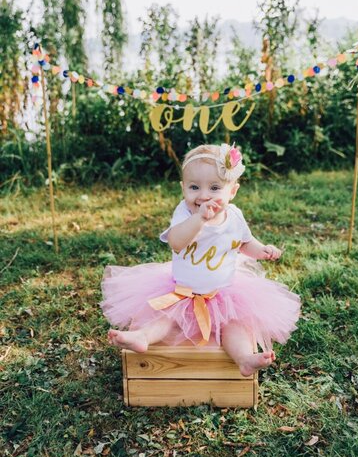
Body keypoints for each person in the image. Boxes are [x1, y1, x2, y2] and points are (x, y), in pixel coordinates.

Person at [101, 143, 300, 376]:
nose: (203, 196)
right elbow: (176, 241)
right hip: (181, 291)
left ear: (232, 191)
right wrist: (200, 220)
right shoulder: (184, 213)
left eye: (215, 188)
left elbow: (245, 242)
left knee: (235, 326)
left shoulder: (234, 215)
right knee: (166, 318)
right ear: (183, 187)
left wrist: (262, 250)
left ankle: (244, 358)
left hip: (223, 294)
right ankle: (142, 337)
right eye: (194, 187)